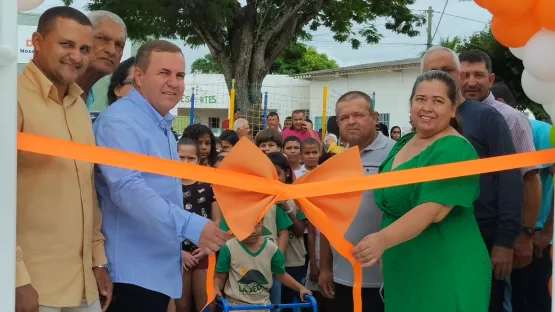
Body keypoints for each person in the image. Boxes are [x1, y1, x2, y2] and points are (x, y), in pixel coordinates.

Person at [93, 40, 230, 312]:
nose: (173, 82)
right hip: (130, 275)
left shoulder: (160, 124)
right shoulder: (120, 122)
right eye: (164, 73)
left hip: (155, 272)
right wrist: (192, 225)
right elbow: (127, 189)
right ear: (139, 77)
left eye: (179, 75)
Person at [352, 70, 492, 312]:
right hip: (403, 269)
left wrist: (382, 240)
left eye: (438, 101)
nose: (427, 107)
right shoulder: (405, 142)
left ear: (453, 108)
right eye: (420, 99)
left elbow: (432, 210)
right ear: (411, 104)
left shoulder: (455, 149)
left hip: (444, 267)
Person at [16, 6, 112, 312]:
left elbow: (87, 190)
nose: (77, 56)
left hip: (83, 287)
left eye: (84, 49)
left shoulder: (79, 107)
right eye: (66, 44)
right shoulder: (11, 98)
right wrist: (15, 278)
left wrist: (98, 262)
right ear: (37, 41)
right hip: (33, 287)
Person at [421, 46, 522, 312]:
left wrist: (504, 241)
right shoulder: (423, 123)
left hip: (482, 238)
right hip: (435, 240)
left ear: (459, 75)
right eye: (431, 71)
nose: (439, 77)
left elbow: (510, 178)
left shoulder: (487, 116)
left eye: (447, 70)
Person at [460, 51, 542, 274]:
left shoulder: (511, 118)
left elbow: (529, 178)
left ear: (491, 79)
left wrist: (524, 234)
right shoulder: (449, 115)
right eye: (464, 75)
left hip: (496, 235)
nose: (471, 82)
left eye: (478, 75)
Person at [318, 91, 395, 312]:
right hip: (343, 276)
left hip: (386, 279)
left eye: (358, 115)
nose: (351, 122)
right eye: (344, 118)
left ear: (375, 117)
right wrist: (325, 267)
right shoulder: (336, 163)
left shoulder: (395, 155)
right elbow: (326, 218)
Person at [491, 83, 554, 312]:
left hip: (534, 237)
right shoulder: (489, 131)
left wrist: (546, 231)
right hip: (500, 234)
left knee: (531, 300)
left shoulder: (541, 132)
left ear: (500, 105)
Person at [214, 219, 312, 312]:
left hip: (262, 305)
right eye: (248, 225)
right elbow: (220, 277)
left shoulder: (271, 248)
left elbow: (281, 274)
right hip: (235, 305)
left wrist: (300, 288)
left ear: (263, 223)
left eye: (257, 224)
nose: (253, 231)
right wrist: (216, 289)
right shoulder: (228, 247)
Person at [175, 138, 222, 312]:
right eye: (180, 157)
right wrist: (178, 252)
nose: (185, 162)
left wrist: (208, 247)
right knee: (182, 305)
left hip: (204, 252)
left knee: (206, 304)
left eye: (190, 158)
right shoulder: (167, 185)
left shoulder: (208, 184)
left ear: (199, 159)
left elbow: (217, 220)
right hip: (177, 255)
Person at [263, 153, 307, 312]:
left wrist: (286, 208)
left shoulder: (295, 196)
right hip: (268, 263)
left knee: (289, 303)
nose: (274, 179)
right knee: (273, 303)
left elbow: (301, 231)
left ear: (287, 173)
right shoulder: (260, 197)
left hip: (293, 261)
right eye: (269, 175)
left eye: (278, 174)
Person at [76, 11, 127, 109]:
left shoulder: (87, 94)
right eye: (102, 39)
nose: (111, 51)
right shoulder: (54, 89)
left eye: (119, 45)